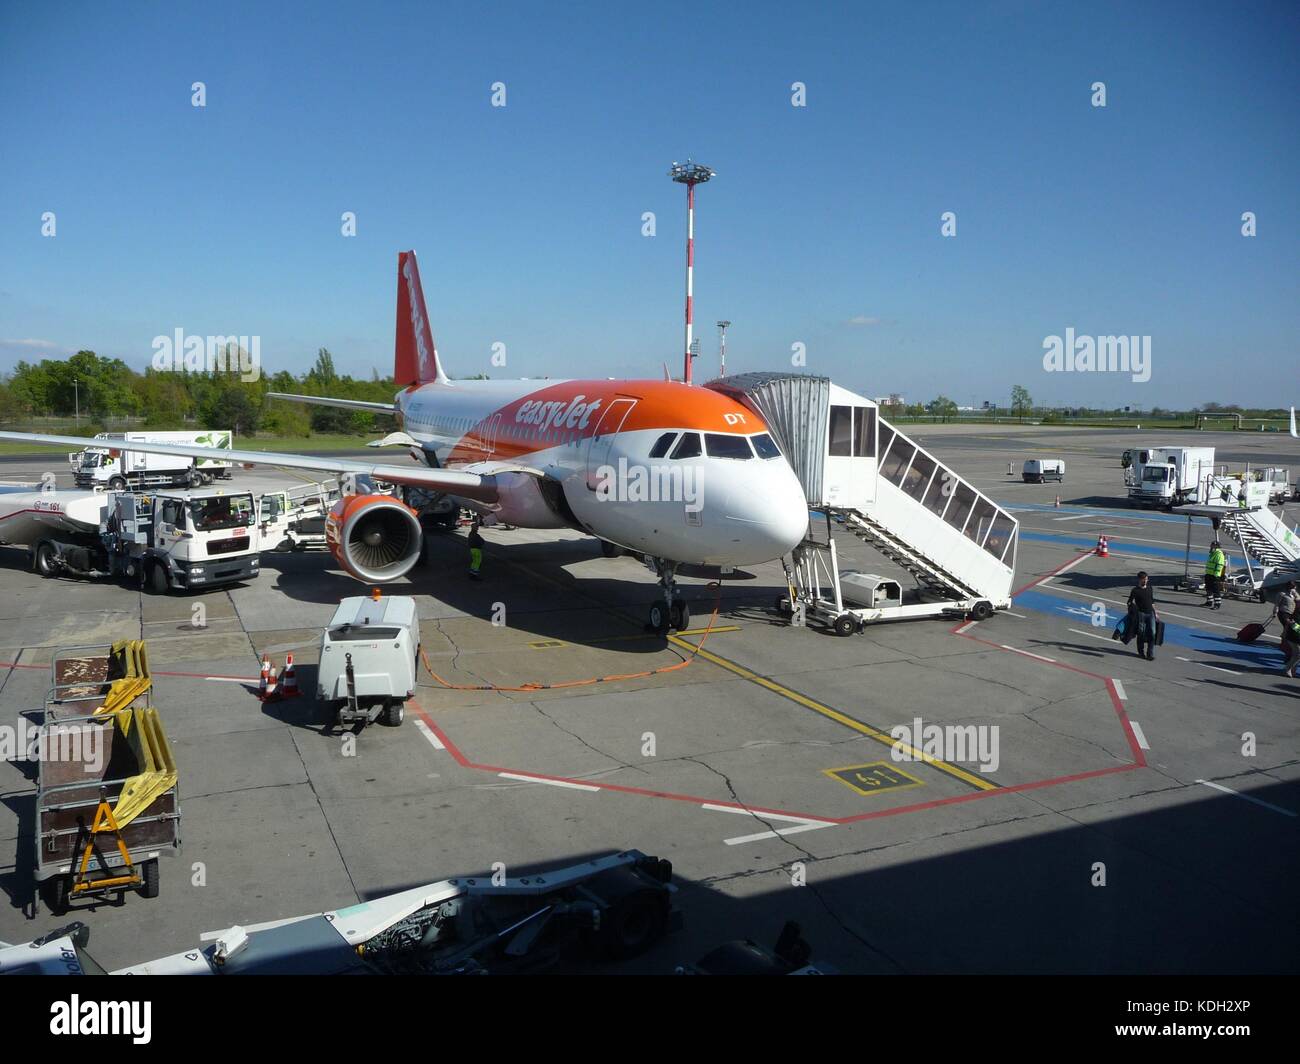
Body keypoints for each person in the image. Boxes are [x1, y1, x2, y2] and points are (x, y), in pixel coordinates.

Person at [1127, 571, 1159, 661]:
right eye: (1143, 579)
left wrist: (1156, 613)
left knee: (1152, 633)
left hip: (1151, 614)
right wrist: (1131, 611)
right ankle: (1141, 652)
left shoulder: (1150, 588)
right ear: (1139, 580)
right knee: (1141, 633)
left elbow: (1152, 601)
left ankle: (1150, 653)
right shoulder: (1135, 590)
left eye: (1146, 579)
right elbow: (1129, 602)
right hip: (1140, 614)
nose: (1145, 581)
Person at [1275, 580, 1300, 677]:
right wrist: (1275, 612)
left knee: (1297, 652)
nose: (1292, 589)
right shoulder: (1282, 594)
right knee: (1298, 653)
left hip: (1293, 622)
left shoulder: (1296, 597)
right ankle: (1288, 668)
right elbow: (1277, 604)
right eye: (1291, 587)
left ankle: (1292, 668)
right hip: (1286, 616)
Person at [1203, 540, 1226, 610]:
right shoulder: (1213, 553)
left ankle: (1217, 604)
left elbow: (1220, 565)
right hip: (1209, 574)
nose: (1211, 547)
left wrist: (1216, 574)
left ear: (1216, 546)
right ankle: (1209, 601)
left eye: (1212, 545)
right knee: (1208, 588)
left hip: (1214, 575)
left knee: (1216, 590)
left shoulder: (1219, 554)